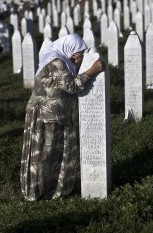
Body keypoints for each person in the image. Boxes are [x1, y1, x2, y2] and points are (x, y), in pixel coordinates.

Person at [20, 33, 106, 201]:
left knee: (56, 154)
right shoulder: (56, 61)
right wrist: (92, 70)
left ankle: (53, 190)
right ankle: (36, 192)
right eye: (78, 53)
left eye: (80, 55)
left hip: (57, 114)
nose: (78, 57)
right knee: (43, 155)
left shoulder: (63, 60)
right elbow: (71, 86)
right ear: (70, 49)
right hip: (45, 115)